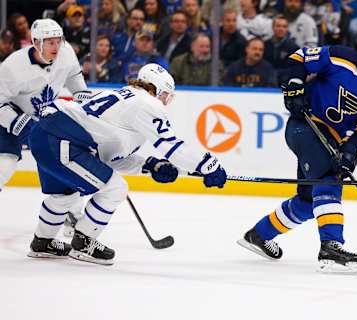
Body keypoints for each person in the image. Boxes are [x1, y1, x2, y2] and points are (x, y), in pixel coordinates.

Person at [237, 30, 357, 273]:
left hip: (332, 140)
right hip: (304, 126)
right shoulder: (340, 57)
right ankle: (331, 247)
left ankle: (259, 235)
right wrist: (295, 85)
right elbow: (299, 58)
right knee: (329, 179)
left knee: (306, 201)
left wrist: (352, 150)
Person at [27, 64, 227, 265]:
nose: (166, 101)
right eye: (166, 94)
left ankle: (42, 242)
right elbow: (172, 147)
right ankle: (84, 242)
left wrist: (150, 165)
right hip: (62, 141)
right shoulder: (147, 103)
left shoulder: (125, 97)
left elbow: (107, 158)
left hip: (47, 134)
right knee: (115, 189)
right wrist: (209, 166)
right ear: (154, 89)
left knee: (65, 194)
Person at [0, 19, 91, 234]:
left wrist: (87, 108)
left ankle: (71, 213)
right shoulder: (13, 67)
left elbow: (76, 82)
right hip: (9, 118)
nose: (56, 47)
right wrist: (20, 124)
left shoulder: (66, 52)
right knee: (4, 165)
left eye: (58, 41)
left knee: (67, 160)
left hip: (44, 117)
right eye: (49, 42)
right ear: (36, 42)